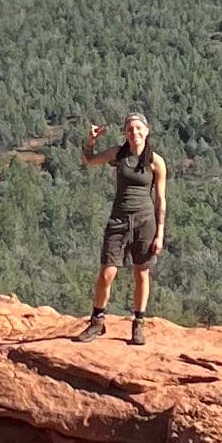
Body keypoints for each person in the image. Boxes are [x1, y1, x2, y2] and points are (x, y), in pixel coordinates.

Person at [80, 110, 168, 342]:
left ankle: (138, 324)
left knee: (141, 273)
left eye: (139, 128)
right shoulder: (118, 154)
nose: (134, 132)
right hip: (118, 220)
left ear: (147, 131)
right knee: (107, 273)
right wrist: (91, 141)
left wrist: (160, 233)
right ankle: (97, 322)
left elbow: (161, 199)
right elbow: (88, 161)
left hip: (145, 221)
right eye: (130, 129)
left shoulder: (156, 161)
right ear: (125, 133)